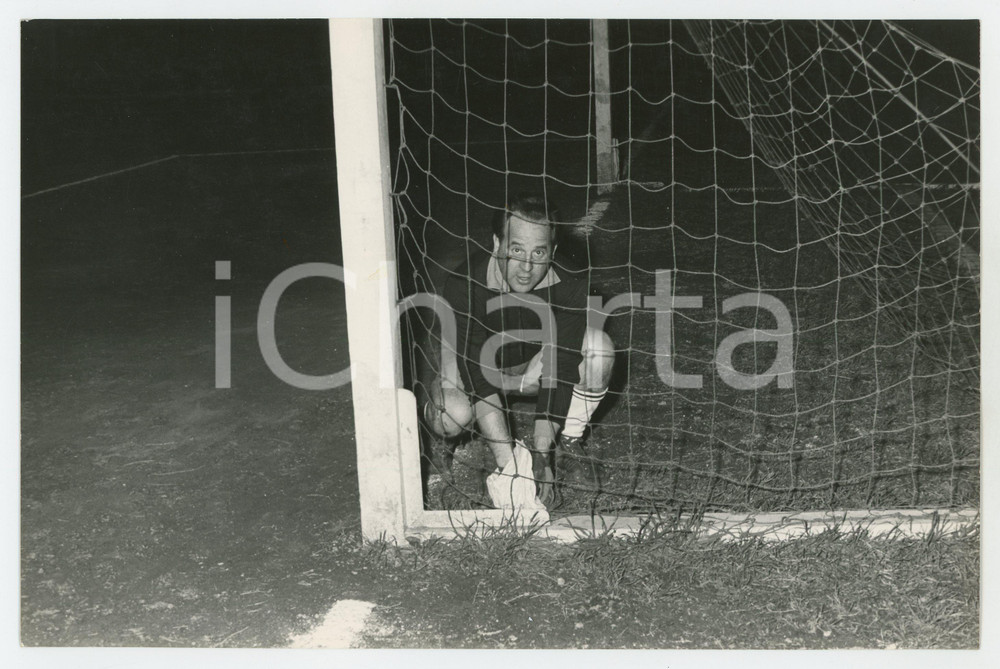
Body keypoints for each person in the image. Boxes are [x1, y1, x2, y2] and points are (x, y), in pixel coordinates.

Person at [423, 193, 615, 507]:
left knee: (597, 349)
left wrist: (539, 455)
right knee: (451, 415)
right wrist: (510, 466)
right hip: (474, 364)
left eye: (539, 252)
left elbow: (562, 366)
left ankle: (569, 440)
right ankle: (443, 439)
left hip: (531, 366)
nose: (527, 267)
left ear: (552, 251)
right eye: (516, 250)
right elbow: (477, 377)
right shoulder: (464, 283)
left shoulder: (571, 283)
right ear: (496, 243)